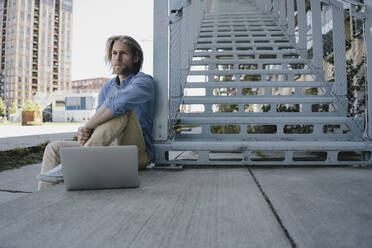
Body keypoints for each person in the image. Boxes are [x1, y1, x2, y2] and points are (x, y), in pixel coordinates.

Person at [37, 35, 155, 191]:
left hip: (136, 154)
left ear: (135, 57)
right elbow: (100, 121)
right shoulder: (107, 87)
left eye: (123, 53)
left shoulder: (144, 81)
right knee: (54, 148)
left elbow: (118, 103)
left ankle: (75, 163)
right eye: (114, 53)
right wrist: (86, 132)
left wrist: (88, 125)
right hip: (108, 147)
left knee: (122, 111)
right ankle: (45, 199)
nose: (117, 58)